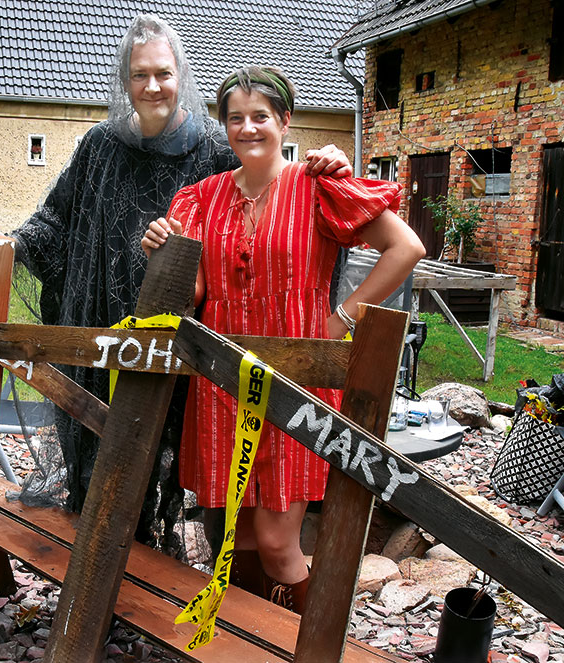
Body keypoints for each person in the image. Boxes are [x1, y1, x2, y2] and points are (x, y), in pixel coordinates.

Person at [0, 15, 352, 556]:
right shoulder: (99, 148)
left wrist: (329, 162)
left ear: (181, 78)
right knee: (101, 450)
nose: (152, 86)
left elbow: (274, 190)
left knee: (174, 460)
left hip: (188, 340)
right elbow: (53, 221)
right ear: (124, 81)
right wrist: (8, 245)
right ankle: (104, 573)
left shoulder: (215, 152)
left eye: (164, 73)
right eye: (139, 74)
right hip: (105, 333)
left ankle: (179, 575)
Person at [141, 66, 425, 611]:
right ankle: (253, 642)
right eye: (235, 118)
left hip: (297, 381)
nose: (248, 128)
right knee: (235, 540)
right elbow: (195, 289)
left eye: (260, 116)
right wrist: (162, 250)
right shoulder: (200, 198)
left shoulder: (317, 185)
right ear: (223, 126)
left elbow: (405, 247)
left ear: (285, 121)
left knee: (277, 543)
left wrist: (341, 318)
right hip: (222, 382)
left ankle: (310, 643)